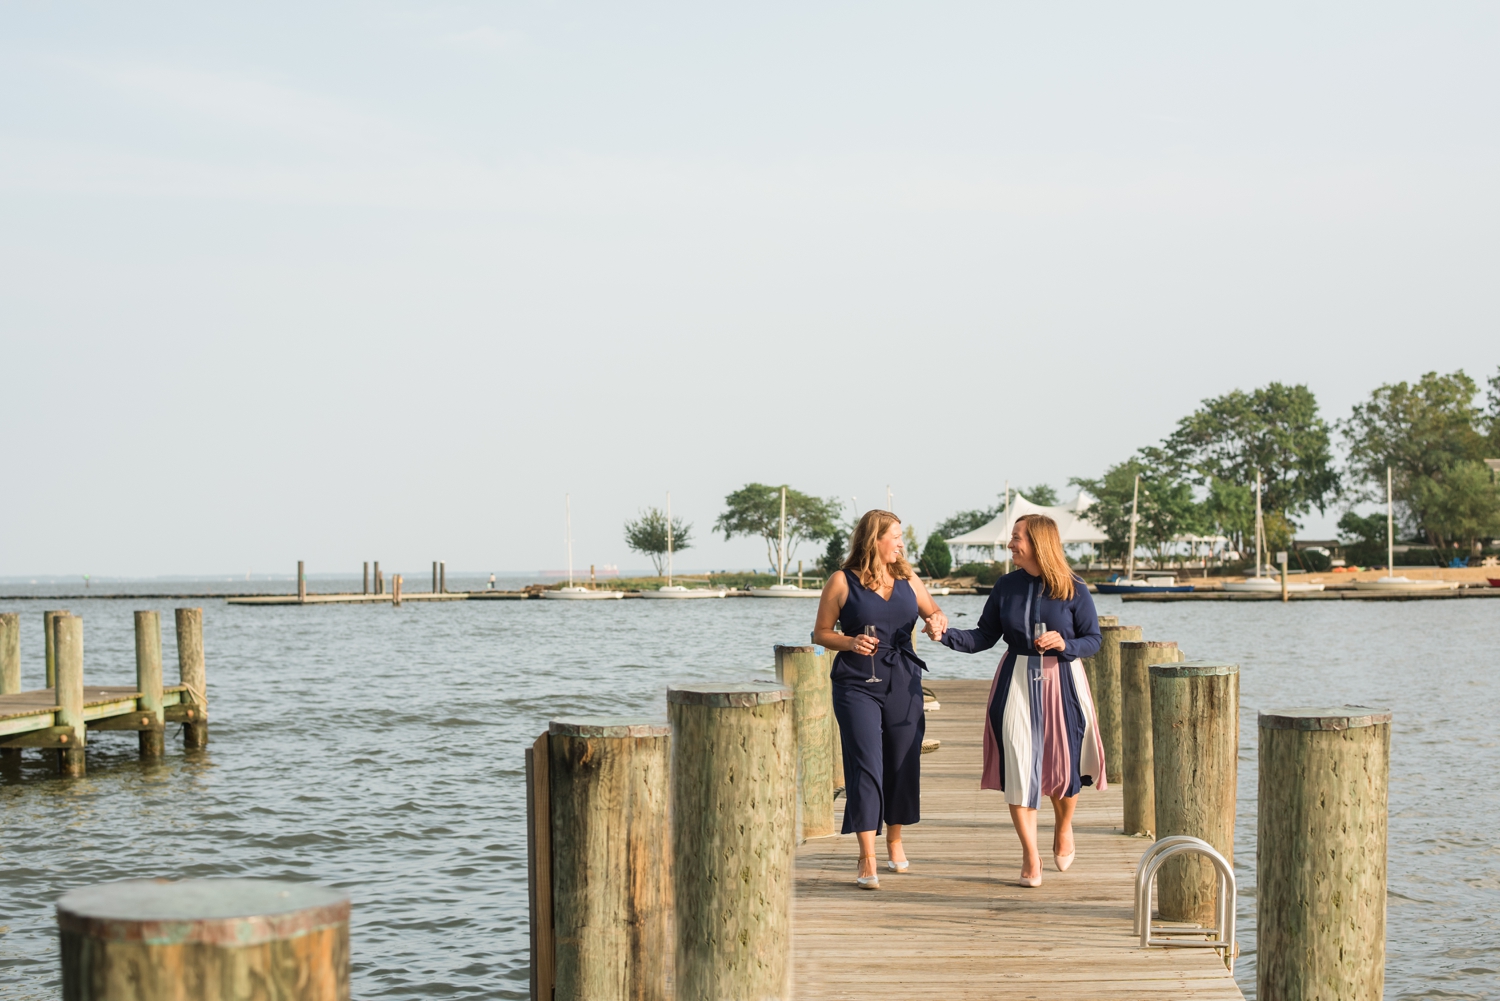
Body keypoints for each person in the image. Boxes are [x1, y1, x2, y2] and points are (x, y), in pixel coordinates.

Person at [939, 513, 1105, 887]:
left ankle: (1064, 827)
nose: (1011, 544)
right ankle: (1031, 855)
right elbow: (984, 636)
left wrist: (1067, 644)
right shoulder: (1005, 586)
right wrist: (945, 635)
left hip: (1062, 679)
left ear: (1039, 543)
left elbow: (1094, 639)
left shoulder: (1074, 587)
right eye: (1012, 538)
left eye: (1017, 538)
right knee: (1018, 765)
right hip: (1015, 680)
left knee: (1063, 767)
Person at [813, 509, 949, 890]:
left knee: (903, 761)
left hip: (904, 680)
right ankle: (866, 854)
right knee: (866, 763)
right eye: (896, 536)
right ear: (875, 539)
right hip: (856, 683)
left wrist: (936, 621)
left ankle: (894, 840)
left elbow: (934, 610)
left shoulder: (907, 576)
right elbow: (821, 633)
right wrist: (850, 641)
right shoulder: (841, 581)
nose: (902, 543)